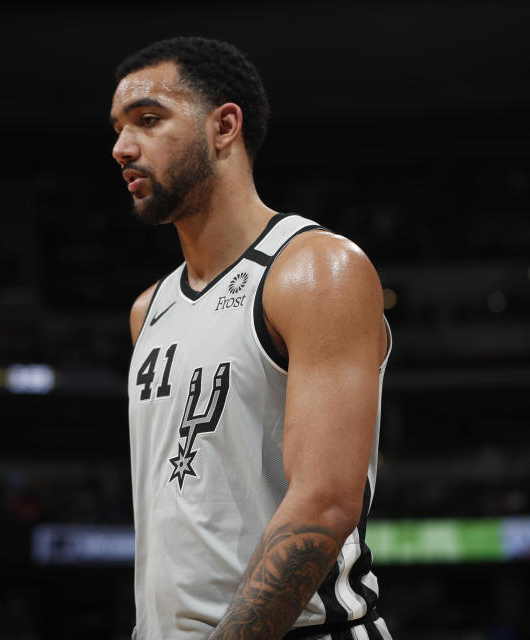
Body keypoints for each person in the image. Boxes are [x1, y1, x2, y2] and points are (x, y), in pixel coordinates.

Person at [111, 37, 393, 640]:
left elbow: (324, 504)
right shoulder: (148, 311)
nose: (121, 148)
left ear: (224, 126)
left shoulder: (315, 270)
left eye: (149, 120)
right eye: (117, 129)